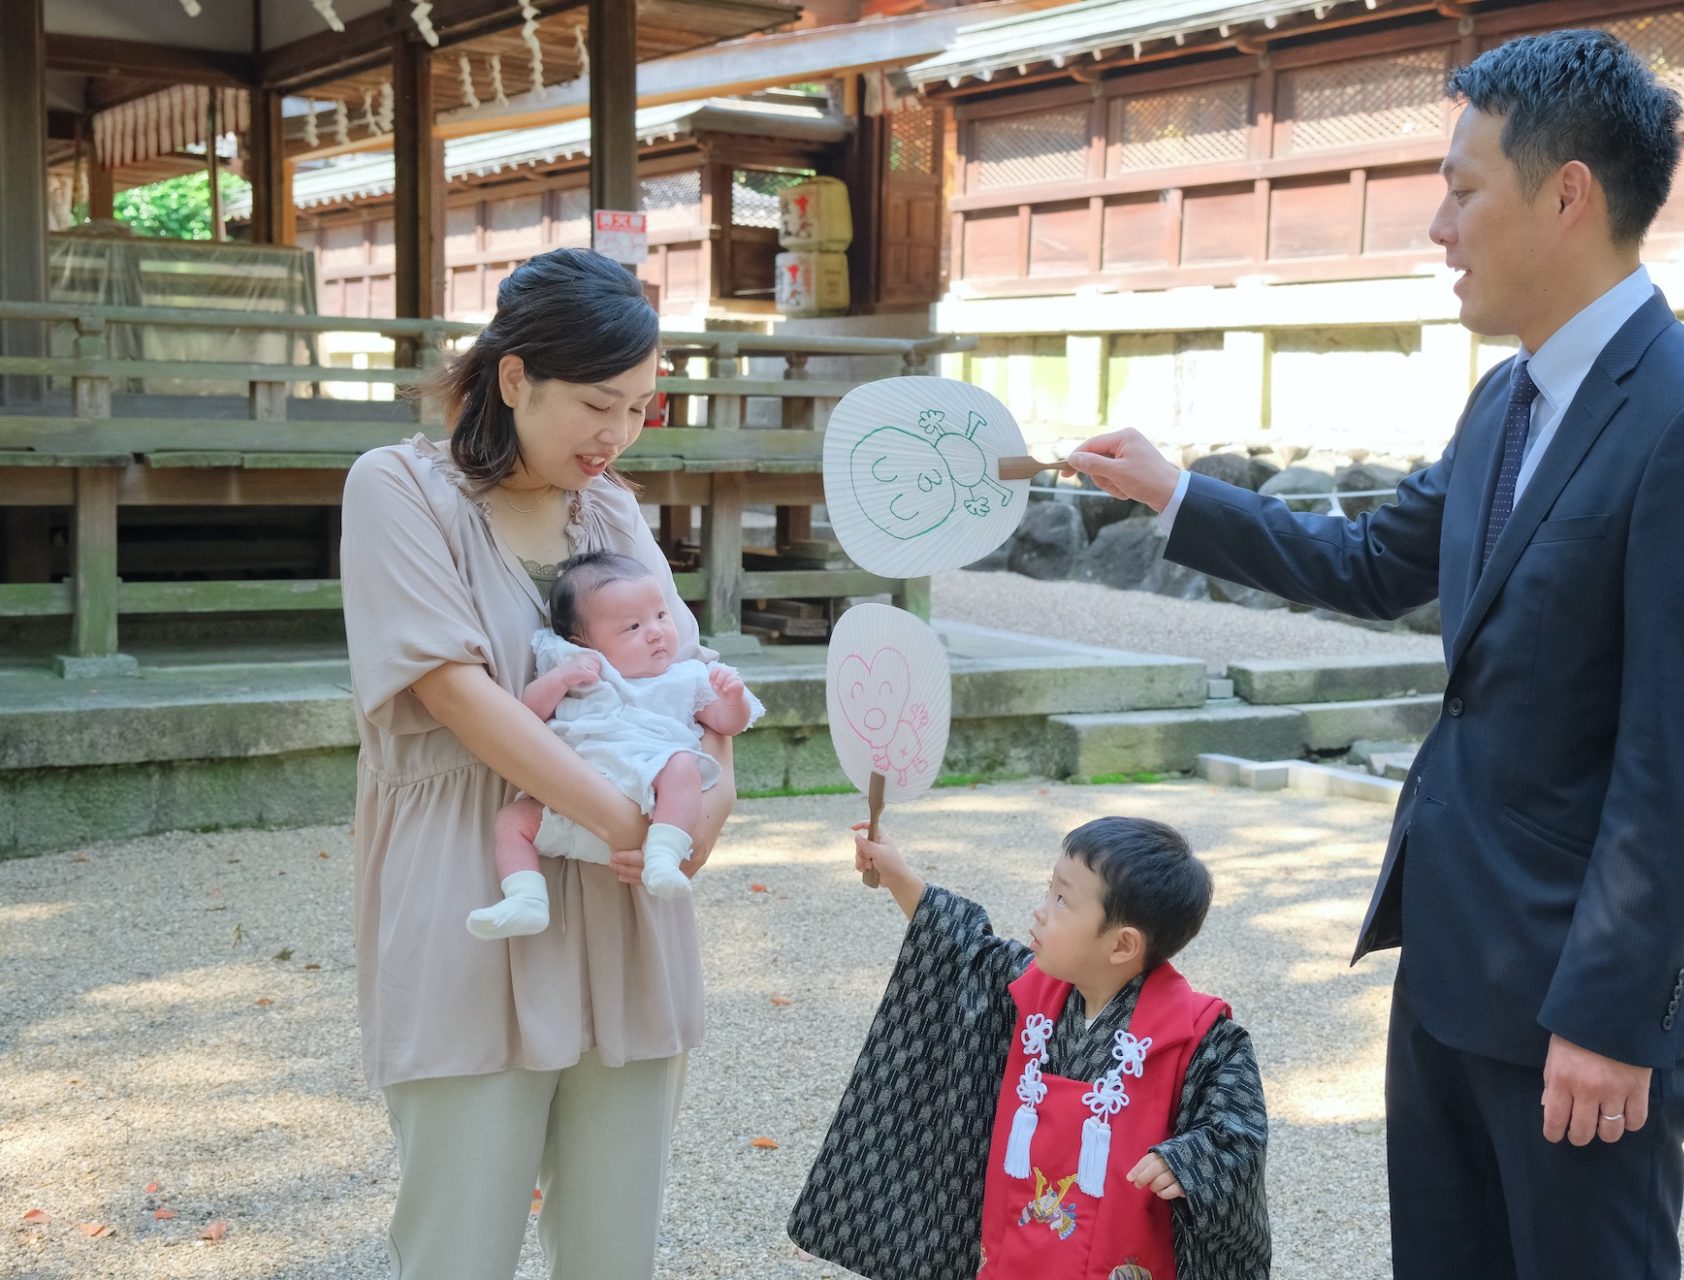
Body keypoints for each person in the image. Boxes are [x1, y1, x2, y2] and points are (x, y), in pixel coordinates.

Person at [1066, 30, 1684, 1280]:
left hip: (1580, 1008)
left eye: (1463, 188)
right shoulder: (1506, 401)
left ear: (1567, 195)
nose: (1438, 225)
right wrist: (1177, 494)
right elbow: (1369, 562)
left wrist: (1610, 1021)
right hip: (1453, 956)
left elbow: (1681, 759)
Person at [339, 247, 733, 1279]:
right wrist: (623, 817)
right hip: (475, 886)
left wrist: (708, 809)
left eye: (642, 408)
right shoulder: (397, 489)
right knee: (457, 1246)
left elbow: (682, 681)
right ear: (515, 379)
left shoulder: (612, 513)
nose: (618, 434)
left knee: (614, 1251)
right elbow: (455, 693)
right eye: (600, 403)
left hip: (624, 904)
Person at [788, 816, 1270, 1280]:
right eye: (1049, 889)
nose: (1041, 909)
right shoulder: (1030, 992)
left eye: (1063, 899)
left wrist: (1190, 1160)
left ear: (1122, 944)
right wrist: (897, 875)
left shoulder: (1201, 1036)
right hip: (1014, 1242)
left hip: (1123, 1253)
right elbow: (964, 948)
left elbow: (1238, 1131)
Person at [468, 552, 762, 939]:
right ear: (582, 642)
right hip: (572, 799)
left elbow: (728, 724)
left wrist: (734, 697)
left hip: (644, 806)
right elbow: (526, 714)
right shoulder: (575, 667)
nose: (656, 632)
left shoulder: (684, 677)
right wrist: (559, 679)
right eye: (633, 626)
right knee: (511, 822)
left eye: (661, 615)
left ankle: (664, 853)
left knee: (682, 767)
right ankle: (525, 899)